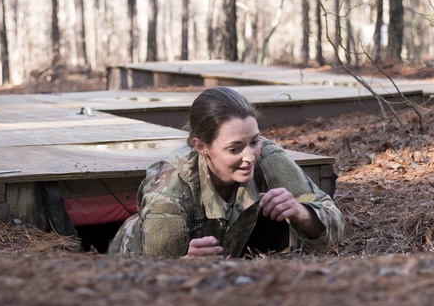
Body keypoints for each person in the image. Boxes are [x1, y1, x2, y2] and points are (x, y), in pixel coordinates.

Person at [108, 86, 344, 257]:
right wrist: (183, 267)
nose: (250, 157)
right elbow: (150, 281)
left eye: (254, 141)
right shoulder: (170, 187)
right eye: (234, 149)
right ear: (201, 147)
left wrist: (301, 212)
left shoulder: (268, 158)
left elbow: (334, 228)